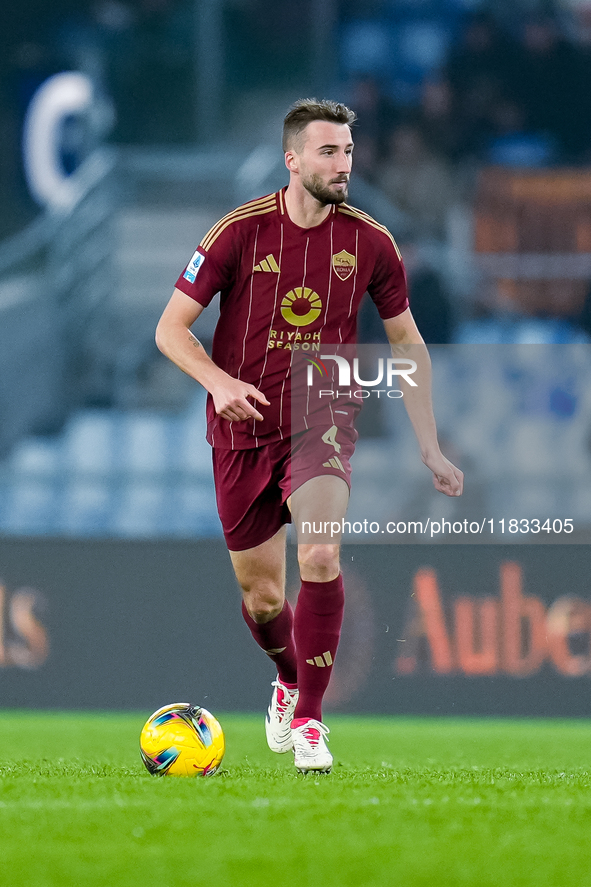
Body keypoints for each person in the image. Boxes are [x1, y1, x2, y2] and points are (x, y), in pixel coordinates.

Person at [155, 98, 463, 773]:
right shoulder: (237, 232)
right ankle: (288, 676)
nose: (343, 164)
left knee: (320, 554)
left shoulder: (371, 242)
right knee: (263, 597)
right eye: (328, 152)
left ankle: (311, 721)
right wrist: (217, 381)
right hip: (240, 427)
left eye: (349, 152)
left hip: (320, 415)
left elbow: (407, 342)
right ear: (292, 159)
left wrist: (428, 443)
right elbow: (169, 329)